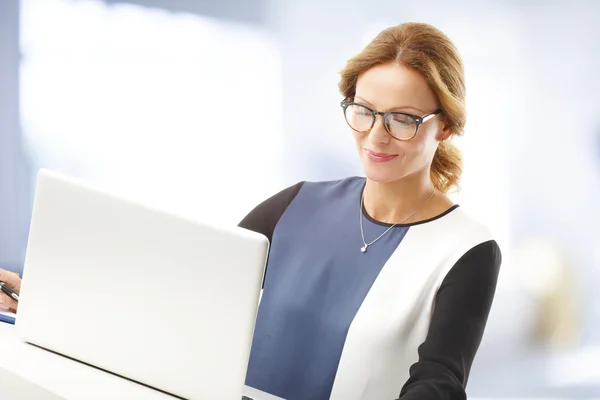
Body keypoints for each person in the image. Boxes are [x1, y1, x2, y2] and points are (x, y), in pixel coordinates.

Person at [0, 21, 501, 400]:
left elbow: (439, 382)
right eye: (364, 110)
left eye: (403, 120)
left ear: (447, 126)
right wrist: (51, 299)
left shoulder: (466, 250)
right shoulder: (296, 204)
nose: (375, 136)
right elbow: (184, 294)